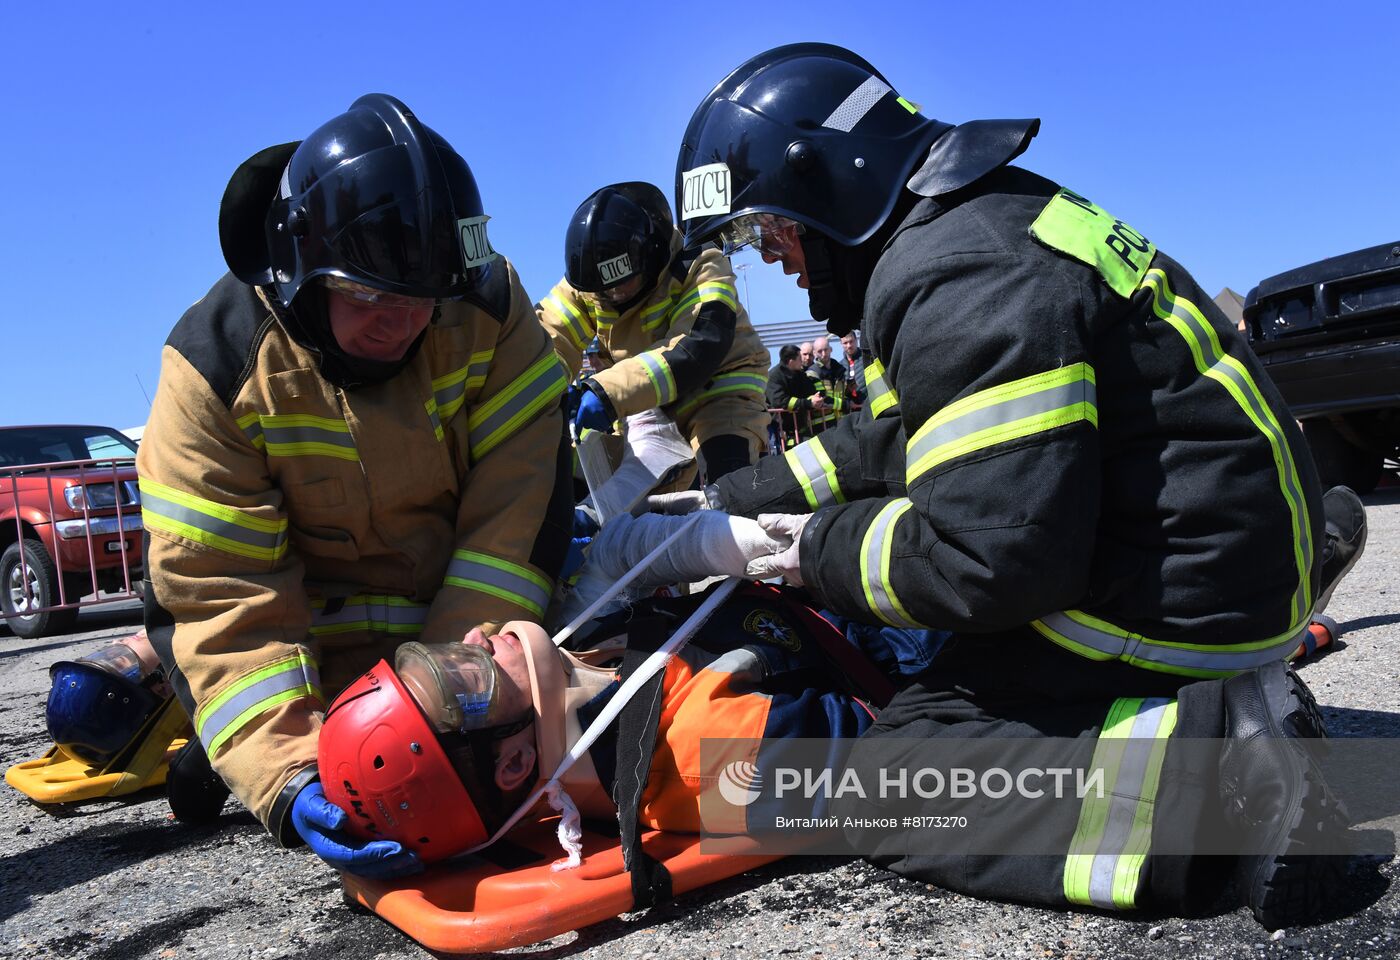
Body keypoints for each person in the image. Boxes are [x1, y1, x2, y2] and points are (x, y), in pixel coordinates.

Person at [668, 43, 1368, 928]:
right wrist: (723, 507)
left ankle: (1221, 777)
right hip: (1220, 550)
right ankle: (1233, 699)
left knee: (889, 781)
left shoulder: (956, 272)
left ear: (826, 185)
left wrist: (799, 551)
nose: (774, 259)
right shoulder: (980, 227)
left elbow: (986, 564)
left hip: (1184, 593)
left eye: (769, 229)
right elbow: (894, 440)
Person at [137, 94, 573, 879]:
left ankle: (857, 803)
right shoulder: (215, 371)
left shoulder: (486, 306)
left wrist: (461, 706)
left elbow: (515, 519)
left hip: (464, 644)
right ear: (301, 268)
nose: (402, 326)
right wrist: (290, 768)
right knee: (215, 752)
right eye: (372, 298)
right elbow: (218, 599)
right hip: (324, 673)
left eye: (421, 305)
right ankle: (222, 754)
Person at [315, 581, 946, 875]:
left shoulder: (586, 654)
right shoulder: (705, 764)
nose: (478, 636)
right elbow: (931, 781)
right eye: (468, 674)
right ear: (511, 764)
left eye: (450, 648)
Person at [537, 182, 770, 482]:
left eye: (621, 283)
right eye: (602, 289)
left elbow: (695, 348)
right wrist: (545, 394)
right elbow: (549, 338)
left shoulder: (700, 263)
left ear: (651, 257)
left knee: (727, 488)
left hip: (717, 397)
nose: (612, 294)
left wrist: (605, 393)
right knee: (621, 505)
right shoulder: (591, 280)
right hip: (642, 404)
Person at [765, 344, 830, 451]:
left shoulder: (799, 374)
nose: (803, 360)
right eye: (800, 358)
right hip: (779, 430)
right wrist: (808, 403)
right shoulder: (774, 376)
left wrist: (816, 397)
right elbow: (780, 402)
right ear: (791, 361)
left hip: (800, 428)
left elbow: (809, 390)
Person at [838, 331, 867, 406]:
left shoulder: (867, 359)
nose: (849, 345)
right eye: (845, 343)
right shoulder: (839, 366)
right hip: (850, 409)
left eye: (851, 341)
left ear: (856, 340)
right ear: (841, 344)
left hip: (868, 405)